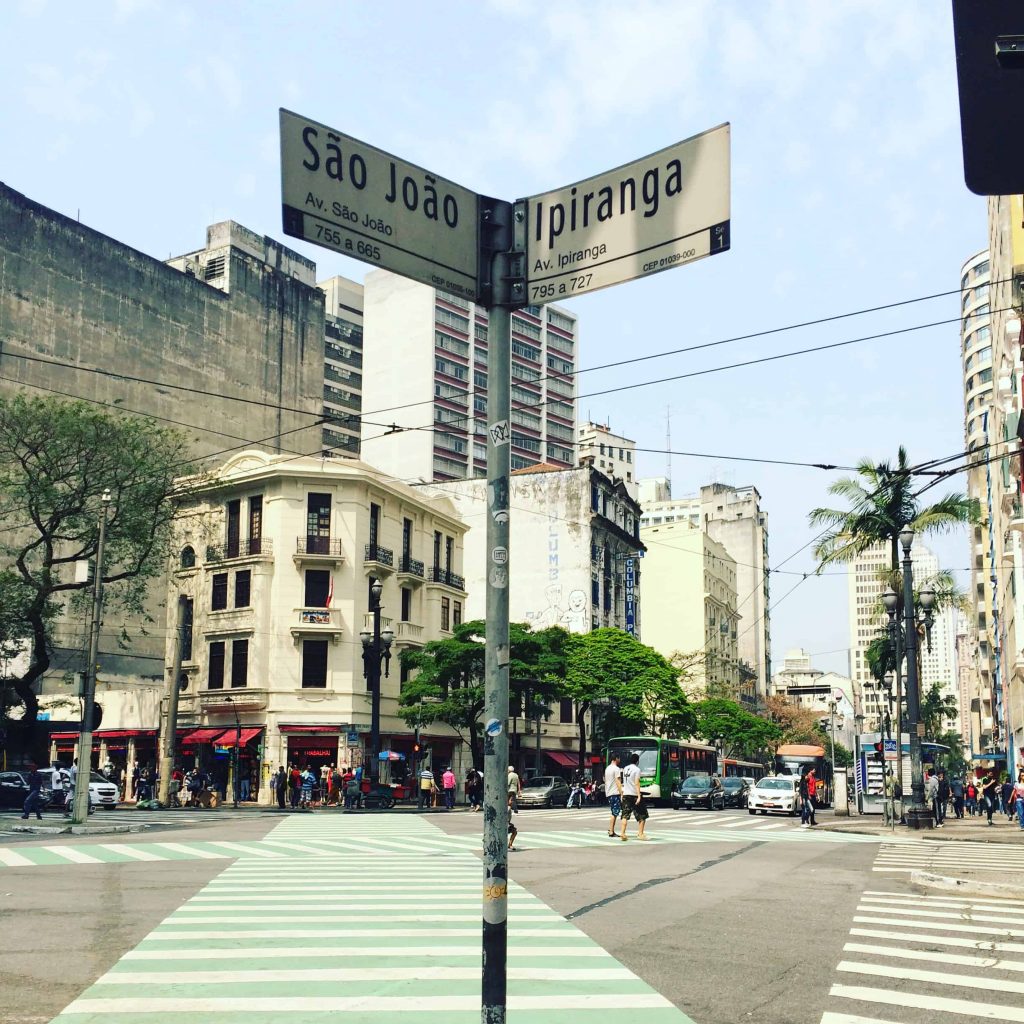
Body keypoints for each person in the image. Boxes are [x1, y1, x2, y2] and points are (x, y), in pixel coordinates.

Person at [619, 752, 648, 840]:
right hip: (634, 794)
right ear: (637, 761)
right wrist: (639, 796)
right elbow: (637, 783)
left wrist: (622, 794)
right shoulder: (637, 769)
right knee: (642, 814)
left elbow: (623, 782)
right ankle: (640, 833)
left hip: (626, 793)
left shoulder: (625, 769)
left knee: (625, 815)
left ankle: (623, 833)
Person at [604, 753, 623, 838]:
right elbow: (618, 781)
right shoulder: (616, 769)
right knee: (614, 812)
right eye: (619, 758)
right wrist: (621, 793)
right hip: (615, 793)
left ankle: (611, 830)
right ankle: (611, 831)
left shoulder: (607, 768)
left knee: (613, 811)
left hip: (609, 793)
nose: (620, 760)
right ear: (616, 758)